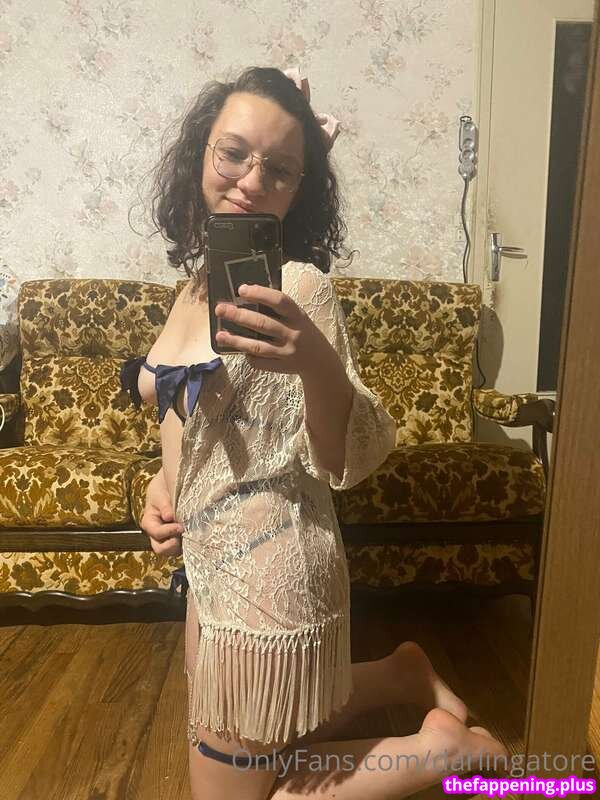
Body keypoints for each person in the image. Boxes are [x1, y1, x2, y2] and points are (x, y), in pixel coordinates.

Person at [129, 66, 508, 800]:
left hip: (269, 583)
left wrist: (316, 363)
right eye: (233, 153)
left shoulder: (300, 288)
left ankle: (443, 751)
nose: (250, 180)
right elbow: (194, 424)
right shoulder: (195, 287)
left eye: (278, 168)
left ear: (300, 188)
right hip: (209, 574)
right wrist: (159, 485)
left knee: (235, 793)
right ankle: (399, 674)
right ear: (201, 153)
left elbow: (344, 457)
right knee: (256, 749)